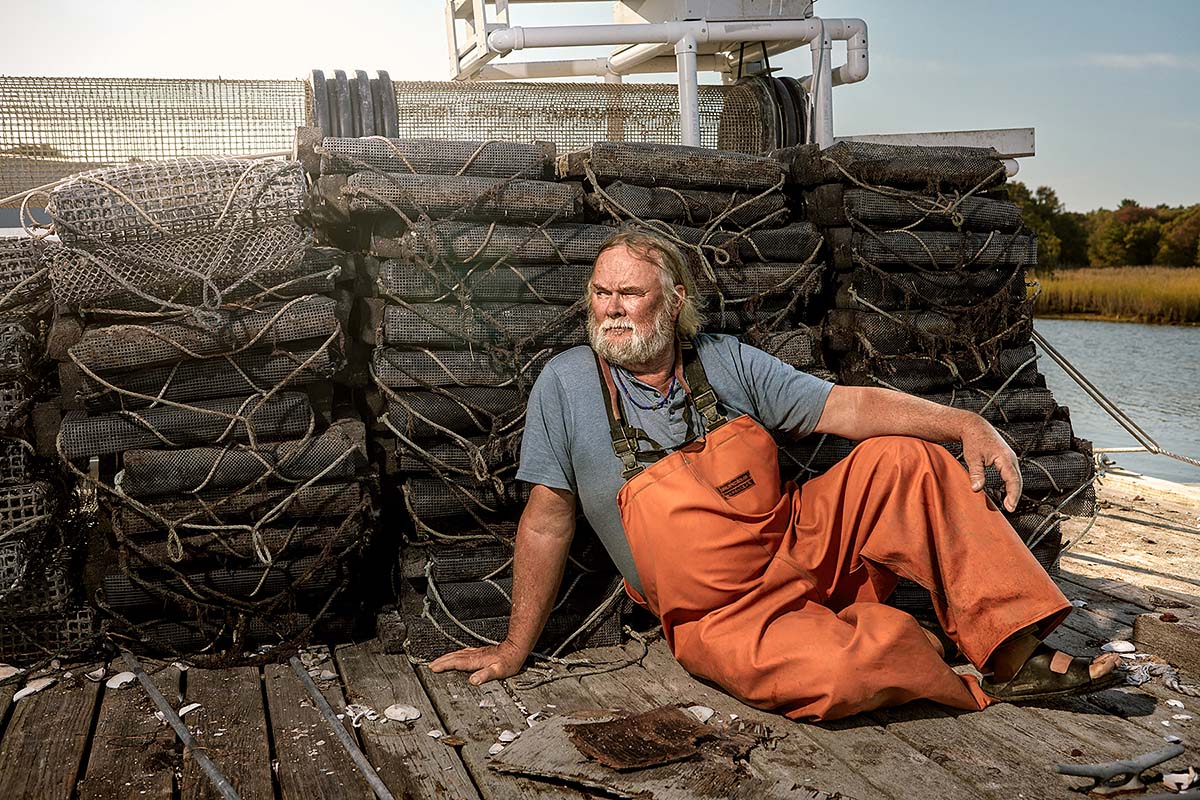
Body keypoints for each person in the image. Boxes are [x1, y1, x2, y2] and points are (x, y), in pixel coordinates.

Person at [431, 230, 1121, 721]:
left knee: (905, 458)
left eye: (630, 294)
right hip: (719, 615)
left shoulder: (725, 359)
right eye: (601, 293)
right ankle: (921, 647)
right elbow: (548, 520)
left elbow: (848, 407)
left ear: (672, 301)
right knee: (836, 677)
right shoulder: (567, 384)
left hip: (800, 547)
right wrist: (516, 648)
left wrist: (966, 423)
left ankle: (1011, 651)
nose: (611, 309)